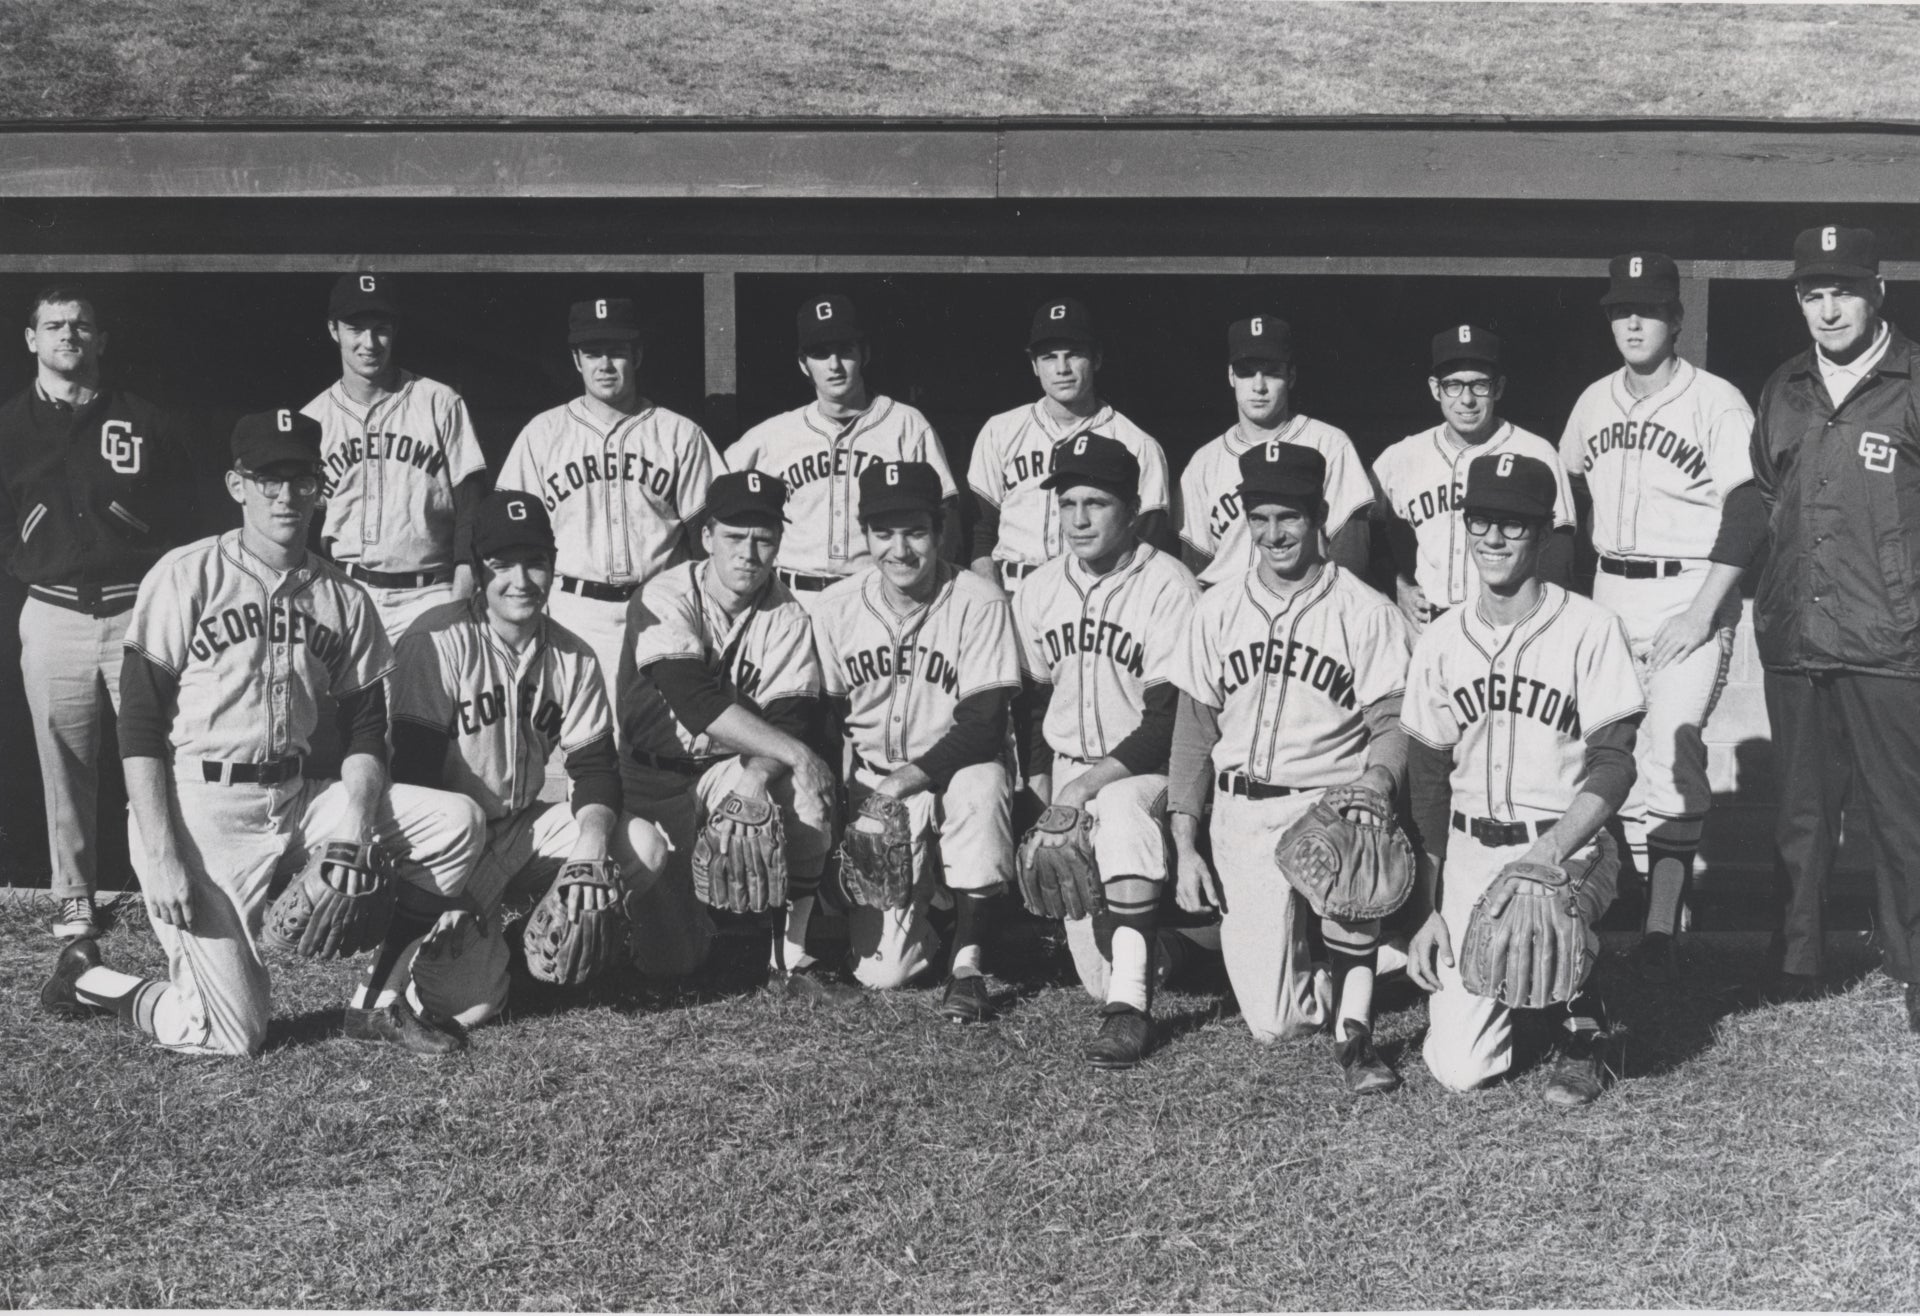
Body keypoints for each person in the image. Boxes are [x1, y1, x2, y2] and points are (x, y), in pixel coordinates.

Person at [38, 410, 486, 1058]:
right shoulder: (185, 574)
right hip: (201, 813)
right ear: (236, 485)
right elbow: (137, 722)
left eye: (300, 479)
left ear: (319, 487)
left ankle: (377, 1002)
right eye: (268, 479)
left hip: (297, 798)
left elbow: (366, 727)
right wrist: (161, 851)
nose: (285, 496)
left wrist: (355, 823)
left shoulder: (343, 597)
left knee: (457, 823)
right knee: (231, 1034)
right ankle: (92, 980)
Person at [1168, 442, 1413, 1094]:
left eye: (1291, 518)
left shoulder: (1366, 611)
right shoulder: (1215, 609)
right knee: (1274, 1023)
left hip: (1329, 803)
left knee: (1358, 848)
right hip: (1242, 810)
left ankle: (1356, 1028)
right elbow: (1194, 732)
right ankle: (1371, 958)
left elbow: (1393, 726)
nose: (1274, 534)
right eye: (1262, 518)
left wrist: (1375, 784)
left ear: (1319, 519)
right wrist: (1184, 841)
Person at [1402, 452, 1645, 1104]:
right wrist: (1427, 909)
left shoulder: (1591, 629)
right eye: (1482, 520)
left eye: (1514, 523)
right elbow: (1426, 782)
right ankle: (1527, 987)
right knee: (1462, 1069)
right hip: (1469, 847)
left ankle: (1583, 1023)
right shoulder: (1441, 640)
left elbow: (1615, 764)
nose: (1494, 537)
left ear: (1542, 533)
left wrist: (1549, 853)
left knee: (1548, 910)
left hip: (1564, 845)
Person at [383, 489, 670, 1027]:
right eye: (502, 565)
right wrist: (446, 893)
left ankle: (522, 942)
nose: (521, 580)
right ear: (478, 569)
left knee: (644, 848)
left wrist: (590, 847)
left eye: (535, 563)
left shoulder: (573, 656)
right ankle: (444, 948)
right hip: (449, 846)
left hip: (521, 828)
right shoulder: (434, 642)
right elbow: (413, 783)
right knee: (468, 1010)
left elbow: (593, 771)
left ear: (554, 568)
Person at [1558, 253, 1762, 977]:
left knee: (1673, 750)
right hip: (1612, 590)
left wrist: (1706, 611)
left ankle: (1660, 927)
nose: (1634, 321)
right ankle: (1624, 899)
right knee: (1609, 750)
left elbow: (1749, 505)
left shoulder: (1716, 400)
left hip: (1688, 591)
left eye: (1648, 309)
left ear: (1677, 319)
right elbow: (1567, 495)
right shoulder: (1592, 402)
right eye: (1621, 310)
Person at [1751, 224, 1920, 1032]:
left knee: (1902, 813)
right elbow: (1763, 496)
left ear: (1876, 292)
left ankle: (1914, 966)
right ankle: (1797, 960)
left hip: (1891, 640)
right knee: (1801, 811)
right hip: (1794, 633)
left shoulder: (1912, 378)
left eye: (1843, 291)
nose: (1828, 309)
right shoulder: (1784, 385)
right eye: (1813, 294)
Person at [0, 284, 200, 942]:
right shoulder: (10, 427)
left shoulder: (140, 418)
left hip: (134, 611)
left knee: (162, 749)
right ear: (31, 339)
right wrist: (33, 546)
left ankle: (172, 881)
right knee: (64, 758)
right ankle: (74, 895)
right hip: (53, 611)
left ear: (101, 340)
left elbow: (184, 511)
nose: (68, 336)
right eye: (54, 326)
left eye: (81, 326)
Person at [1011, 434, 1200, 1067]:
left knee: (1118, 808)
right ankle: (1176, 951)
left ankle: (1130, 1013)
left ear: (1133, 506)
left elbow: (1167, 719)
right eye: (1068, 505)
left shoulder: (1169, 584)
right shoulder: (1039, 589)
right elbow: (1034, 702)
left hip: (1148, 771)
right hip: (1068, 770)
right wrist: (1042, 787)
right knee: (1102, 970)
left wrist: (1079, 790)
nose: (1080, 519)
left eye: (1096, 503)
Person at [812, 461, 1019, 1015]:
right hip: (871, 786)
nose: (899, 550)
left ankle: (969, 962)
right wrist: (837, 818)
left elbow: (983, 728)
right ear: (866, 536)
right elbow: (827, 725)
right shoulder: (835, 608)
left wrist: (902, 784)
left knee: (984, 779)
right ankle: (938, 911)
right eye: (884, 534)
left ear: (941, 531)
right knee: (886, 975)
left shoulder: (979, 600)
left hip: (948, 776)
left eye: (915, 532)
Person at [617, 471, 838, 988]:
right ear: (707, 536)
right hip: (650, 779)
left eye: (763, 539)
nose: (749, 553)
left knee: (800, 791)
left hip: (723, 769)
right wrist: (800, 755)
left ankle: (792, 956)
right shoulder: (665, 594)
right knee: (674, 963)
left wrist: (759, 775)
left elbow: (786, 720)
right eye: (735, 537)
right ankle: (632, 929)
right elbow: (693, 702)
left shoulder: (787, 615)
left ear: (779, 543)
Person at [494, 296, 721, 695]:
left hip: (661, 607)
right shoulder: (543, 434)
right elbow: (508, 531)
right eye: (592, 352)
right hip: (573, 609)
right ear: (576, 359)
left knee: (665, 739)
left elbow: (712, 535)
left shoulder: (679, 433)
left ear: (637, 355)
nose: (605, 365)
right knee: (582, 739)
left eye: (616, 352)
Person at [726, 294, 961, 605]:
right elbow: (717, 506)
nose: (834, 365)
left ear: (864, 354)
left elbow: (947, 514)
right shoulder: (771, 435)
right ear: (803, 364)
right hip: (790, 597)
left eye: (844, 351)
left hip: (874, 596)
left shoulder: (906, 425)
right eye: (820, 354)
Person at [302, 273, 489, 642]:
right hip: (345, 590)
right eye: (356, 328)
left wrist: (464, 581)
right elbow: (302, 517)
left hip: (429, 592)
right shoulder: (313, 419)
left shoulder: (439, 402)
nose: (369, 343)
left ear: (395, 331)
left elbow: (472, 499)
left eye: (381, 329)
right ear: (333, 330)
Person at [1373, 326, 1576, 632]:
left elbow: (1559, 552)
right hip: (1429, 628)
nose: (1466, 399)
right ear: (1434, 388)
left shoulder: (1536, 452)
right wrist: (1395, 583)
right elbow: (1364, 530)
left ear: (1498, 388)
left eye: (1479, 385)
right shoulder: (1402, 456)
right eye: (1453, 385)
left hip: (1509, 627)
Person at [968, 297, 1176, 593]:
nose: (1062, 368)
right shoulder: (1000, 431)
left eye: (1074, 354)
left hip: (1095, 591)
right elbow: (981, 533)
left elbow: (1148, 544)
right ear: (1034, 365)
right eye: (1049, 357)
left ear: (1097, 359)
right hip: (1010, 588)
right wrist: (990, 597)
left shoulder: (1137, 444)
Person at [1178, 314, 1374, 587]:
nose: (1259, 386)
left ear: (1291, 376)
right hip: (1228, 610)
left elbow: (1351, 553)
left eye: (1271, 371)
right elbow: (1195, 562)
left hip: (1308, 603)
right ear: (1230, 376)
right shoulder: (1204, 462)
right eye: (1247, 372)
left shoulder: (1329, 443)